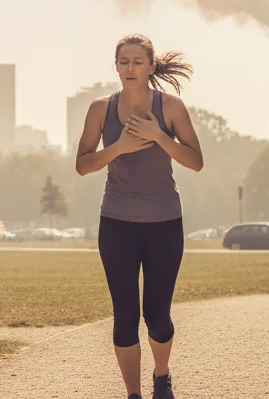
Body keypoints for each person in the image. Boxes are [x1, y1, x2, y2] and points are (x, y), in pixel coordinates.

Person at [75, 34, 204, 399]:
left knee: (157, 315)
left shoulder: (171, 107)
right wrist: (119, 147)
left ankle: (161, 375)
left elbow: (195, 161)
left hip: (164, 223)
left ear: (150, 66)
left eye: (137, 62)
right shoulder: (101, 109)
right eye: (123, 62)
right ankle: (133, 394)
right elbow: (83, 165)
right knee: (125, 315)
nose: (129, 68)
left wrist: (158, 135)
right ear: (115, 66)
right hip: (116, 223)